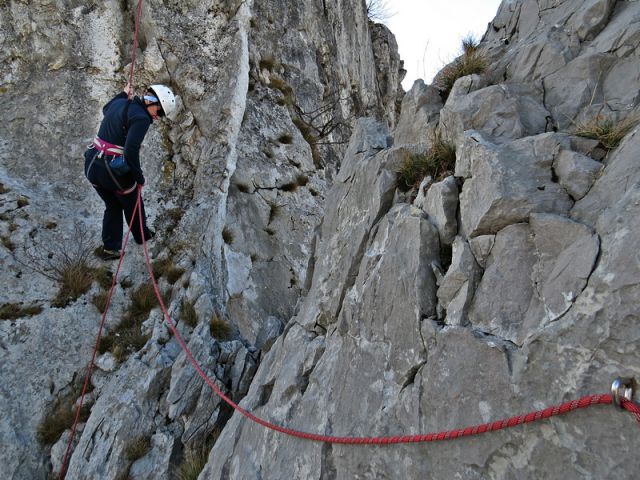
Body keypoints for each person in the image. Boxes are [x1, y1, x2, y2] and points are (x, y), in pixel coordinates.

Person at [84, 83, 176, 260]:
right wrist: (138, 177)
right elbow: (130, 150)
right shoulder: (141, 118)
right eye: (160, 112)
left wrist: (122, 94)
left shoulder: (121, 102)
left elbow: (106, 109)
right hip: (110, 169)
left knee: (113, 205)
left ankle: (110, 249)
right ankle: (142, 236)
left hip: (92, 164)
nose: (158, 117)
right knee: (132, 199)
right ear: (153, 103)